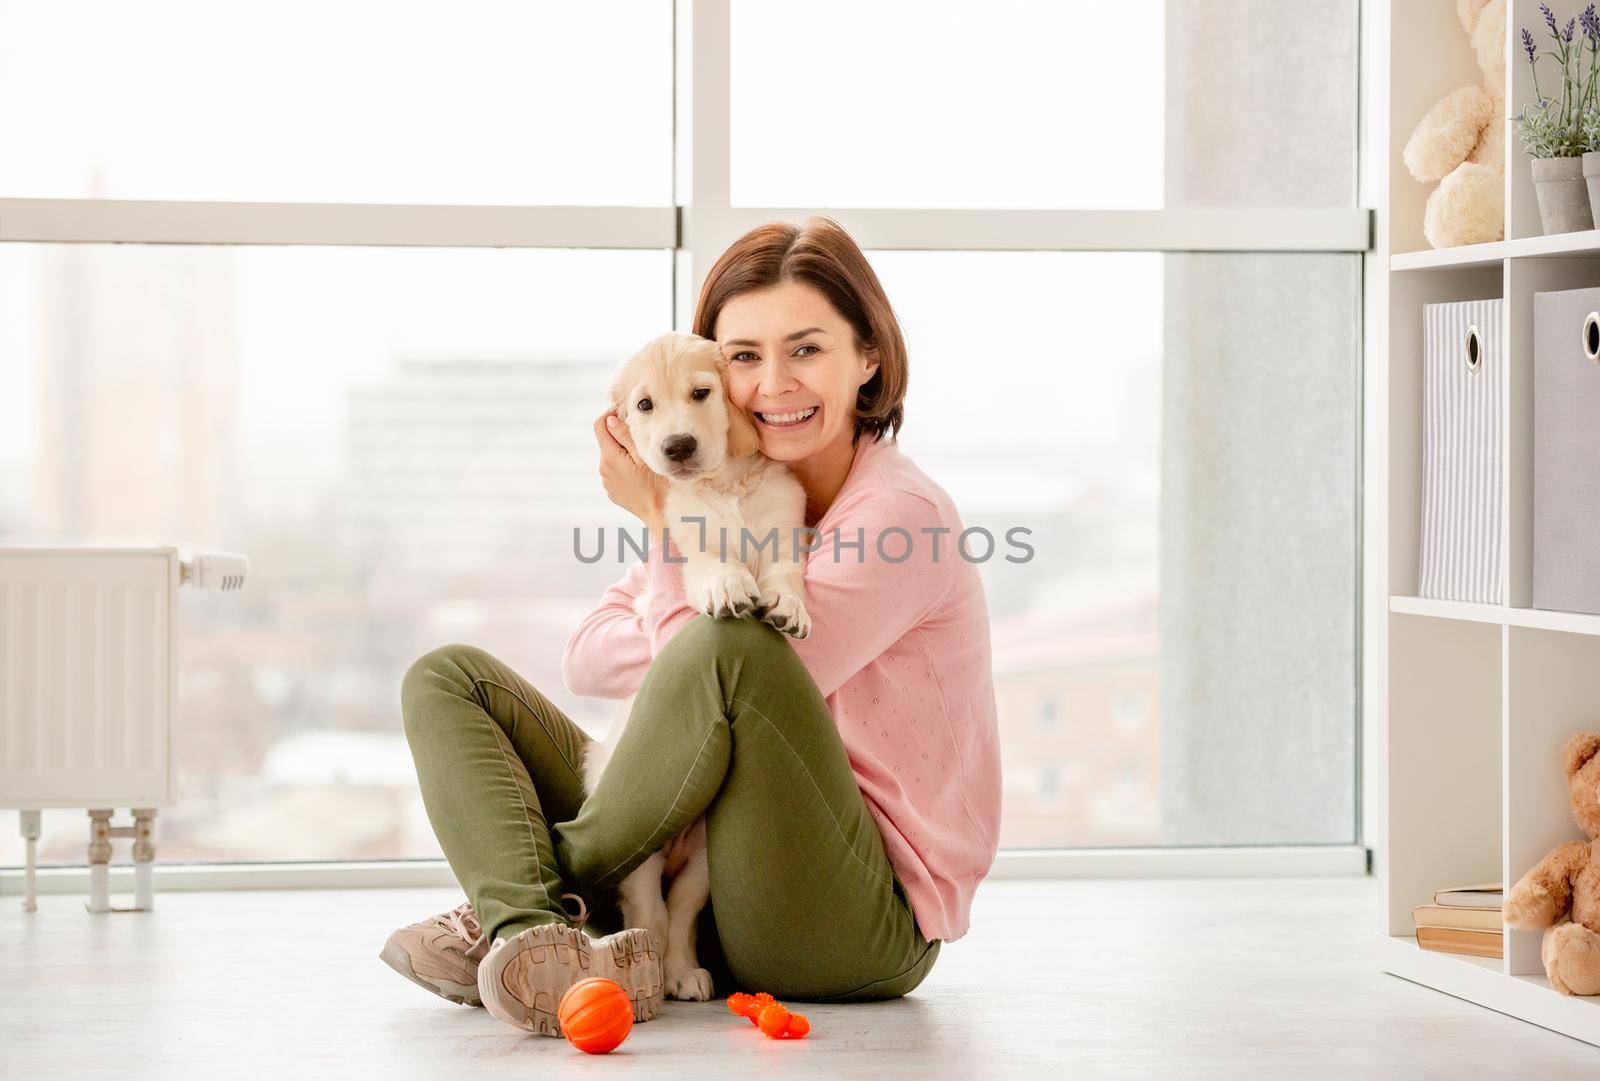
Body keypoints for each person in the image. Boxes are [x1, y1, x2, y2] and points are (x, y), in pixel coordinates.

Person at [382, 216, 1002, 1036]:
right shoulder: (727, 493)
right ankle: (535, 933)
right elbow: (590, 657)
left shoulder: (898, 518)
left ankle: (526, 907)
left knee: (733, 639)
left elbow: (717, 662)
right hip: (707, 872)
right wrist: (696, 559)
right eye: (744, 356)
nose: (773, 383)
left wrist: (663, 520)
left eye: (807, 349)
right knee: (447, 676)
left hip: (849, 916)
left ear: (870, 358)